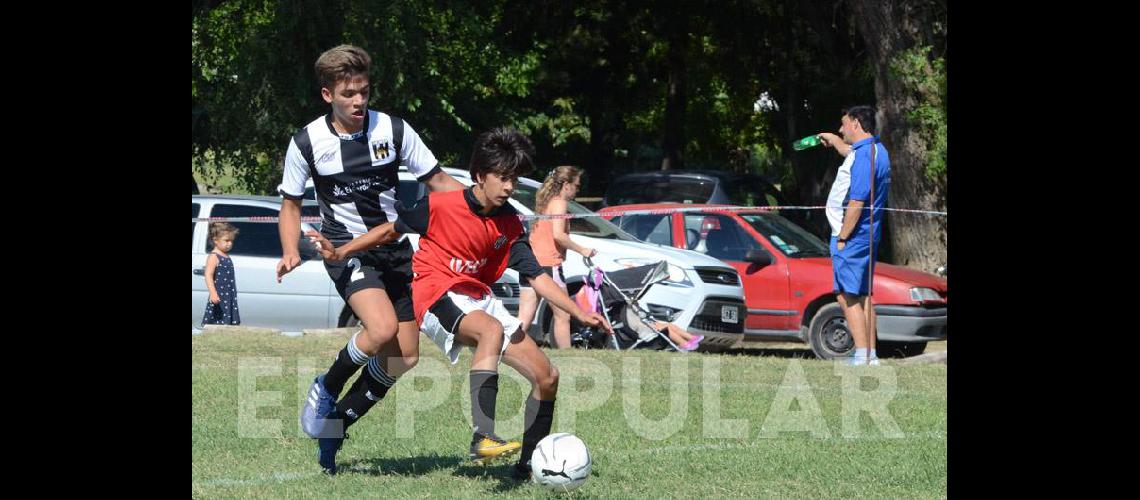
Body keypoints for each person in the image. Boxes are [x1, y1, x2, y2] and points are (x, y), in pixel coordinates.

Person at [308, 127, 612, 480]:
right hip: (435, 294)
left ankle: (526, 469)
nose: (510, 187)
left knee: (547, 376)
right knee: (490, 330)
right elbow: (390, 231)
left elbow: (538, 277)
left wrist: (579, 313)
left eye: (514, 179)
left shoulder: (509, 223)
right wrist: (342, 250)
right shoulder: (440, 205)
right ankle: (483, 435)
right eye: (502, 178)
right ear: (480, 176)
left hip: (477, 298)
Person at [274, 44, 466, 475]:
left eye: (363, 91)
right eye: (348, 94)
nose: (359, 101)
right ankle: (327, 385)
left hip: (396, 249)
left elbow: (436, 180)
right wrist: (290, 249)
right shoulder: (307, 142)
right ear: (328, 95)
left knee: (404, 357)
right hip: (344, 249)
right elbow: (290, 204)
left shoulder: (393, 130)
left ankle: (337, 425)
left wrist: (478, 207)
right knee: (379, 330)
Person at [818, 105, 891, 365]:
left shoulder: (863, 158)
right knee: (862, 295)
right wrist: (835, 140)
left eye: (843, 125)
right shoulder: (874, 151)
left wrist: (842, 237)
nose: (841, 129)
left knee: (847, 295)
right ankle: (870, 355)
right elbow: (849, 152)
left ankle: (862, 355)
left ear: (856, 124)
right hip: (867, 235)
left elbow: (857, 201)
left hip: (852, 235)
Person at [516, 166, 596, 348]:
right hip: (548, 264)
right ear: (566, 185)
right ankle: (566, 355)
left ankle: (506, 350)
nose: (577, 189)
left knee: (524, 317)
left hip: (531, 262)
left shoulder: (545, 201)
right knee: (563, 315)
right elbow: (558, 235)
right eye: (576, 185)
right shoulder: (559, 203)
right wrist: (583, 250)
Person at [201, 222, 241, 326]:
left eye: (231, 241)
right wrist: (213, 293)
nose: (230, 243)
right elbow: (208, 275)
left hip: (229, 294)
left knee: (228, 321)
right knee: (217, 320)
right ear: (215, 240)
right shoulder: (214, 256)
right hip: (219, 295)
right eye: (226, 240)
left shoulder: (226, 256)